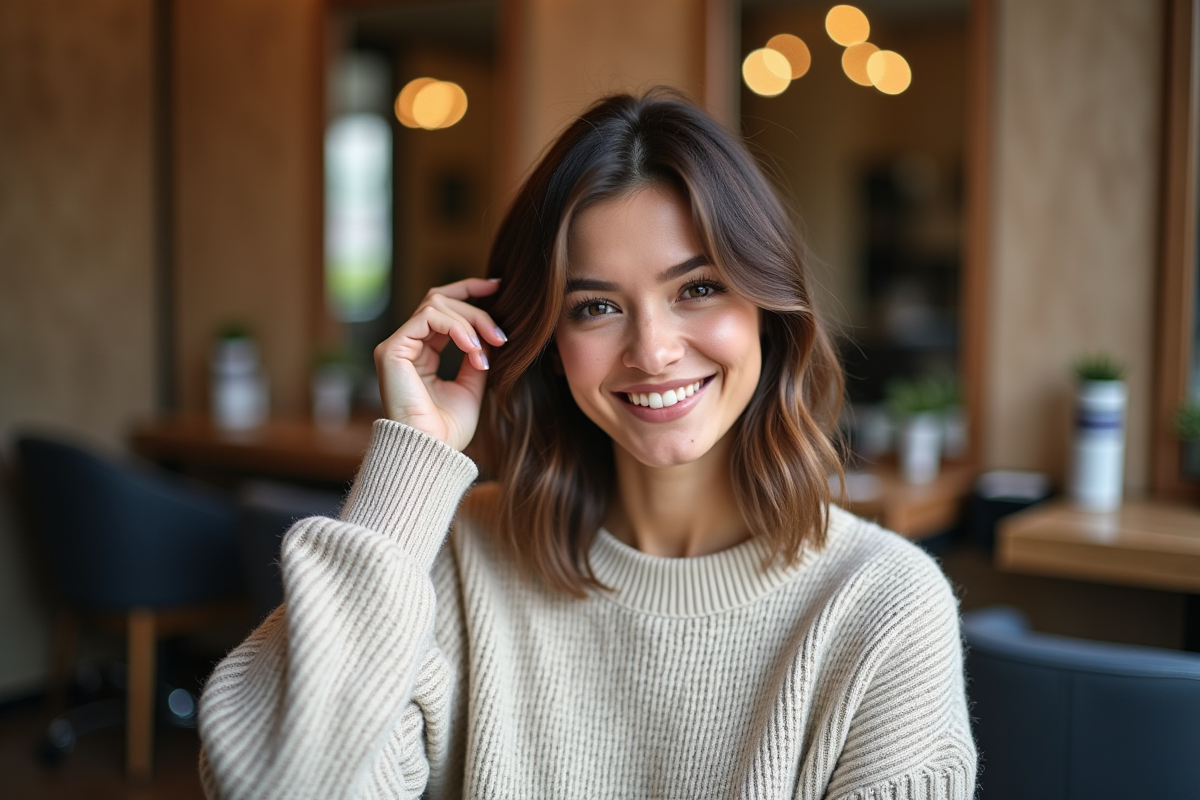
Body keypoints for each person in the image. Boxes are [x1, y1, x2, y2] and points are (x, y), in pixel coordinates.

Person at [198, 89, 976, 800]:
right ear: (544, 340)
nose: (654, 350)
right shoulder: (455, 560)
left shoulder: (885, 608)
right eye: (597, 306)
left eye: (697, 288)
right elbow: (274, 787)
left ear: (770, 310)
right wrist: (409, 463)